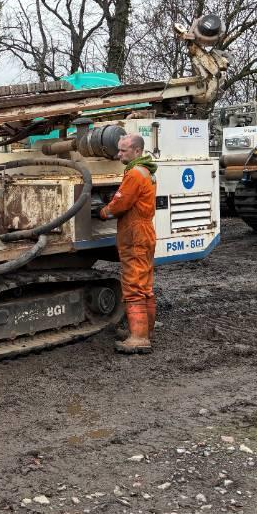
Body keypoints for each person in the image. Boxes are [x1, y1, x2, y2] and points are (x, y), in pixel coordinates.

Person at [99, 133, 157, 354]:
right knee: (145, 285)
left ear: (137, 151)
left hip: (134, 233)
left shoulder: (134, 174)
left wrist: (104, 212)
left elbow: (120, 203)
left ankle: (139, 338)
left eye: (123, 150)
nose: (118, 154)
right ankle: (144, 331)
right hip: (144, 230)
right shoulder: (147, 171)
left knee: (133, 285)